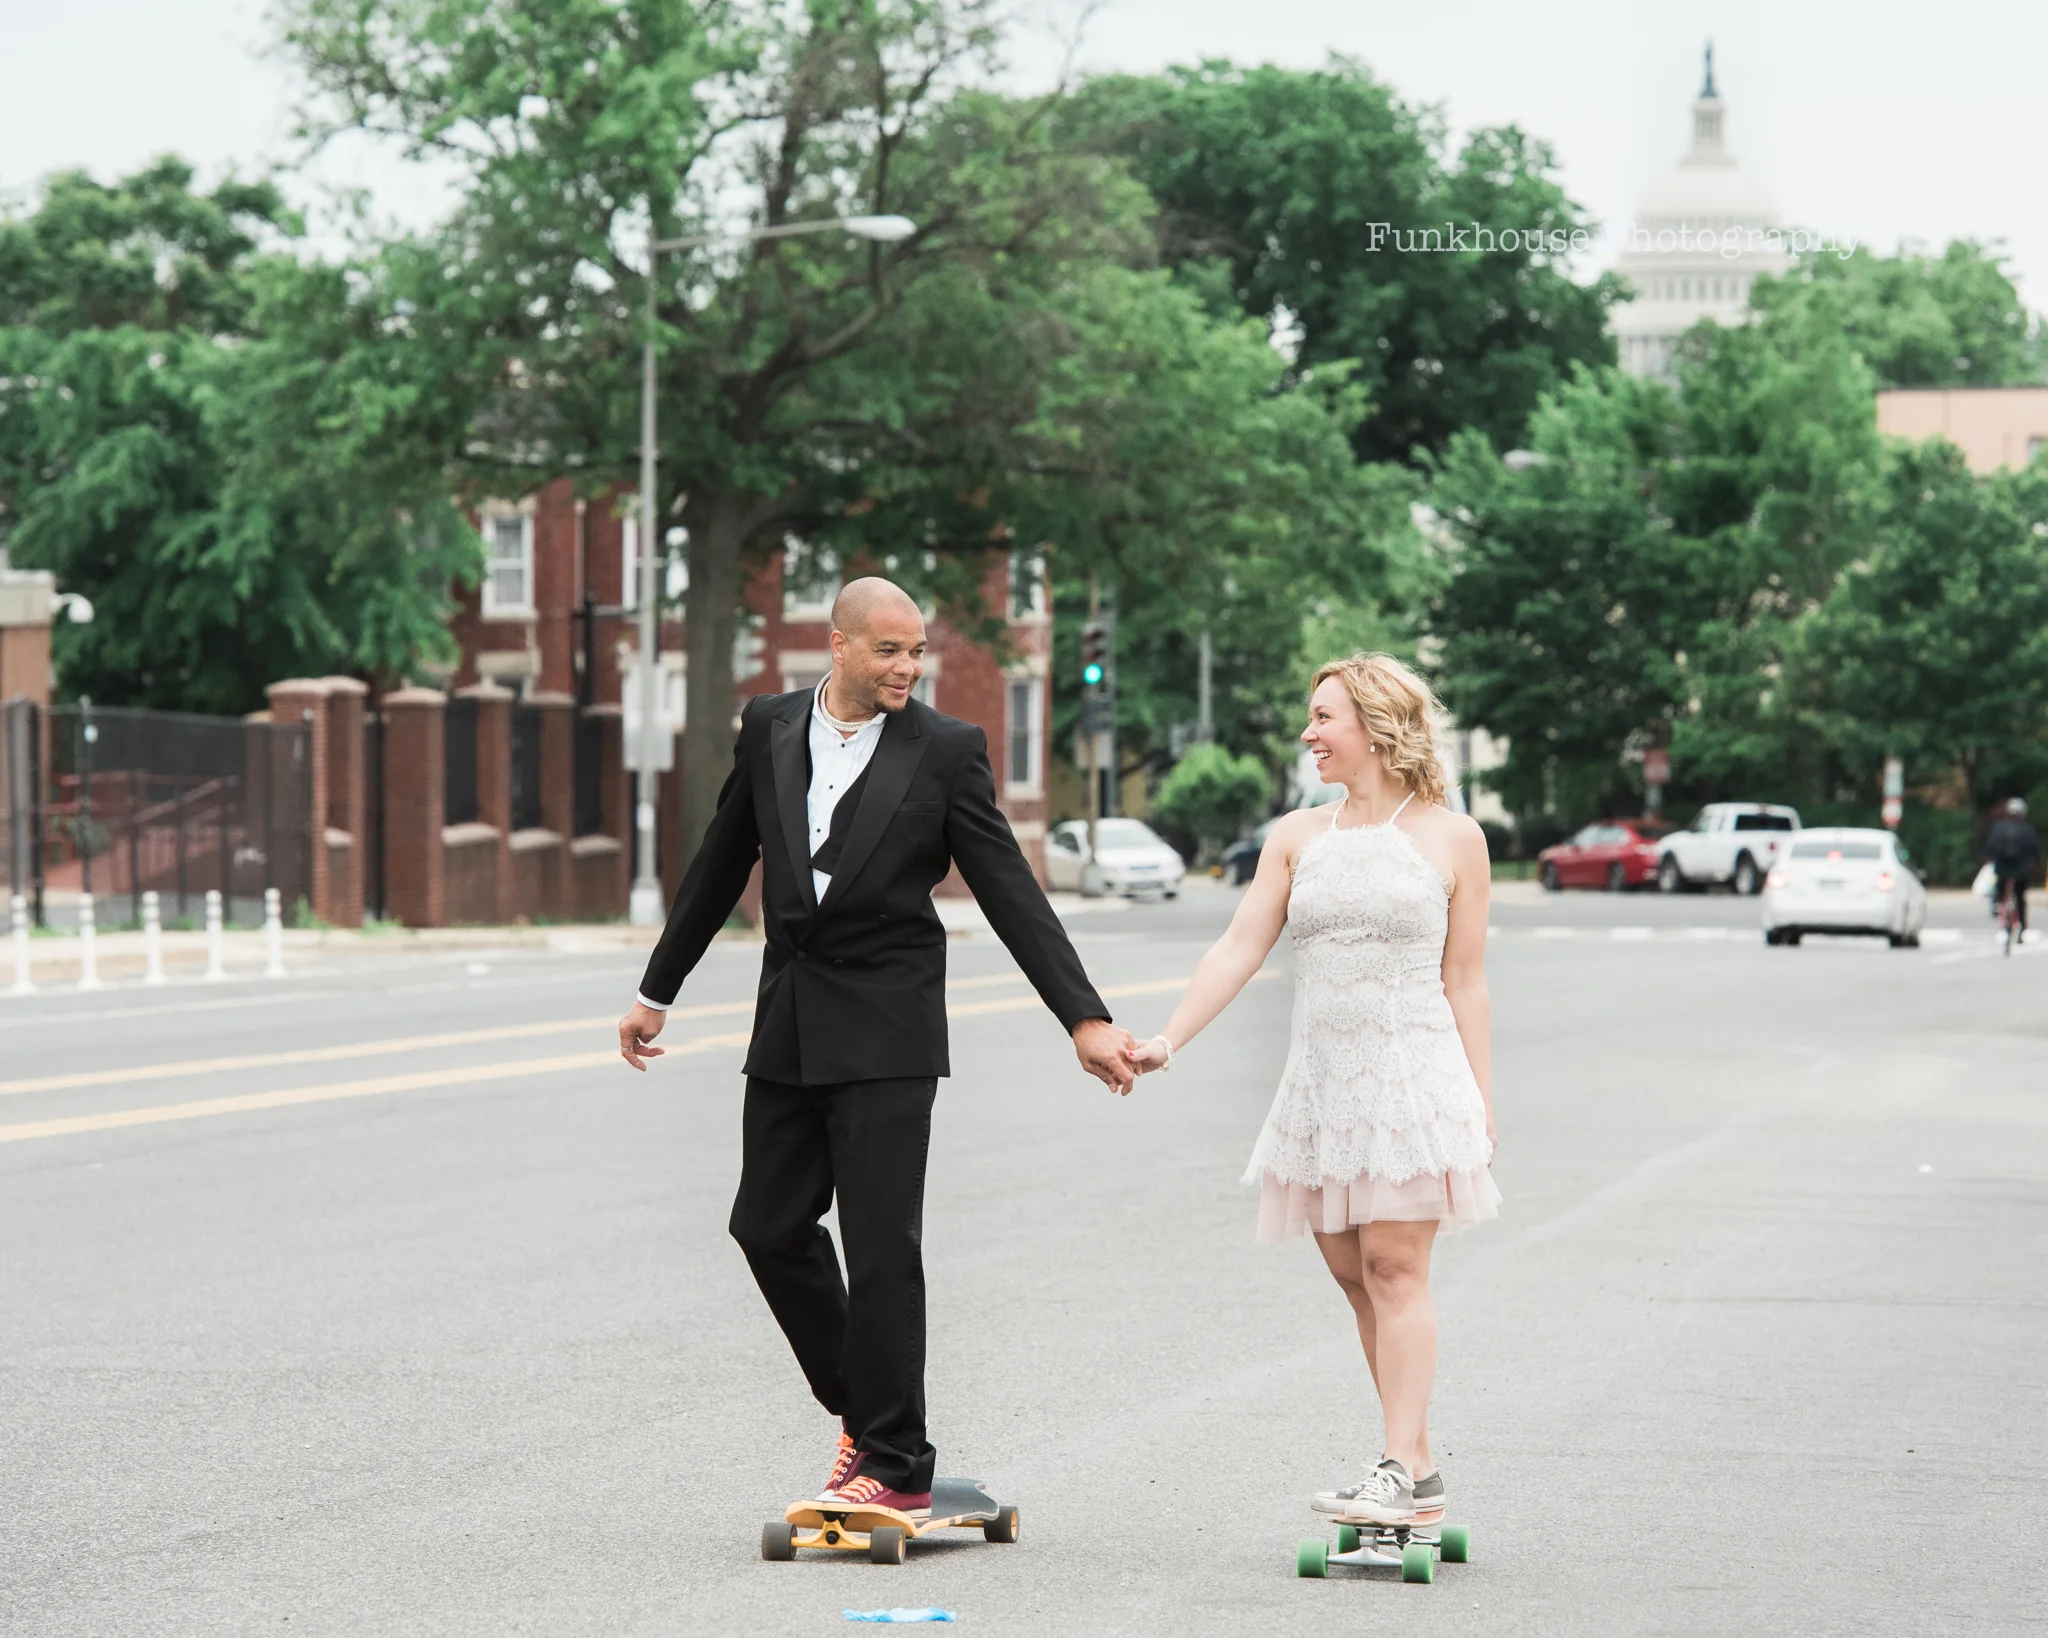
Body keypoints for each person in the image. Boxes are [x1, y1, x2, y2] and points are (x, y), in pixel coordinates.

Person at [616, 577, 1133, 1518]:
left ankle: (896, 1459)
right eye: (890, 650)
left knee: (881, 1243)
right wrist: (660, 988)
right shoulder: (769, 726)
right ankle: (866, 1409)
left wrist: (1083, 1018)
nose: (907, 668)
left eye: (918, 652)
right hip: (790, 1022)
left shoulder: (944, 752)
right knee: (766, 1228)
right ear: (840, 644)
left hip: (891, 1031)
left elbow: (1010, 890)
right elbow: (722, 860)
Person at [1125, 653, 1498, 1531]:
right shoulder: (1297, 837)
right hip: (1324, 1088)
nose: (1309, 733)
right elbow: (1239, 947)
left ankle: (1399, 1469)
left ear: (1374, 726)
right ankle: (1423, 1466)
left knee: (1396, 1267)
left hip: (1414, 1081)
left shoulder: (1454, 838)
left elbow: (1469, 981)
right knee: (1354, 1277)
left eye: (1324, 717)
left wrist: (1481, 1103)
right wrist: (1168, 1039)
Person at [1982, 797, 2041, 936]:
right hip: (2021, 868)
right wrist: (2034, 862)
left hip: (2003, 867)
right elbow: (2034, 849)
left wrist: (1987, 858)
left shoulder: (1998, 827)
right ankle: (2022, 925)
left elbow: (1990, 847)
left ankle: (1997, 903)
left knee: (2000, 886)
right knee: (2020, 896)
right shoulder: (2028, 829)